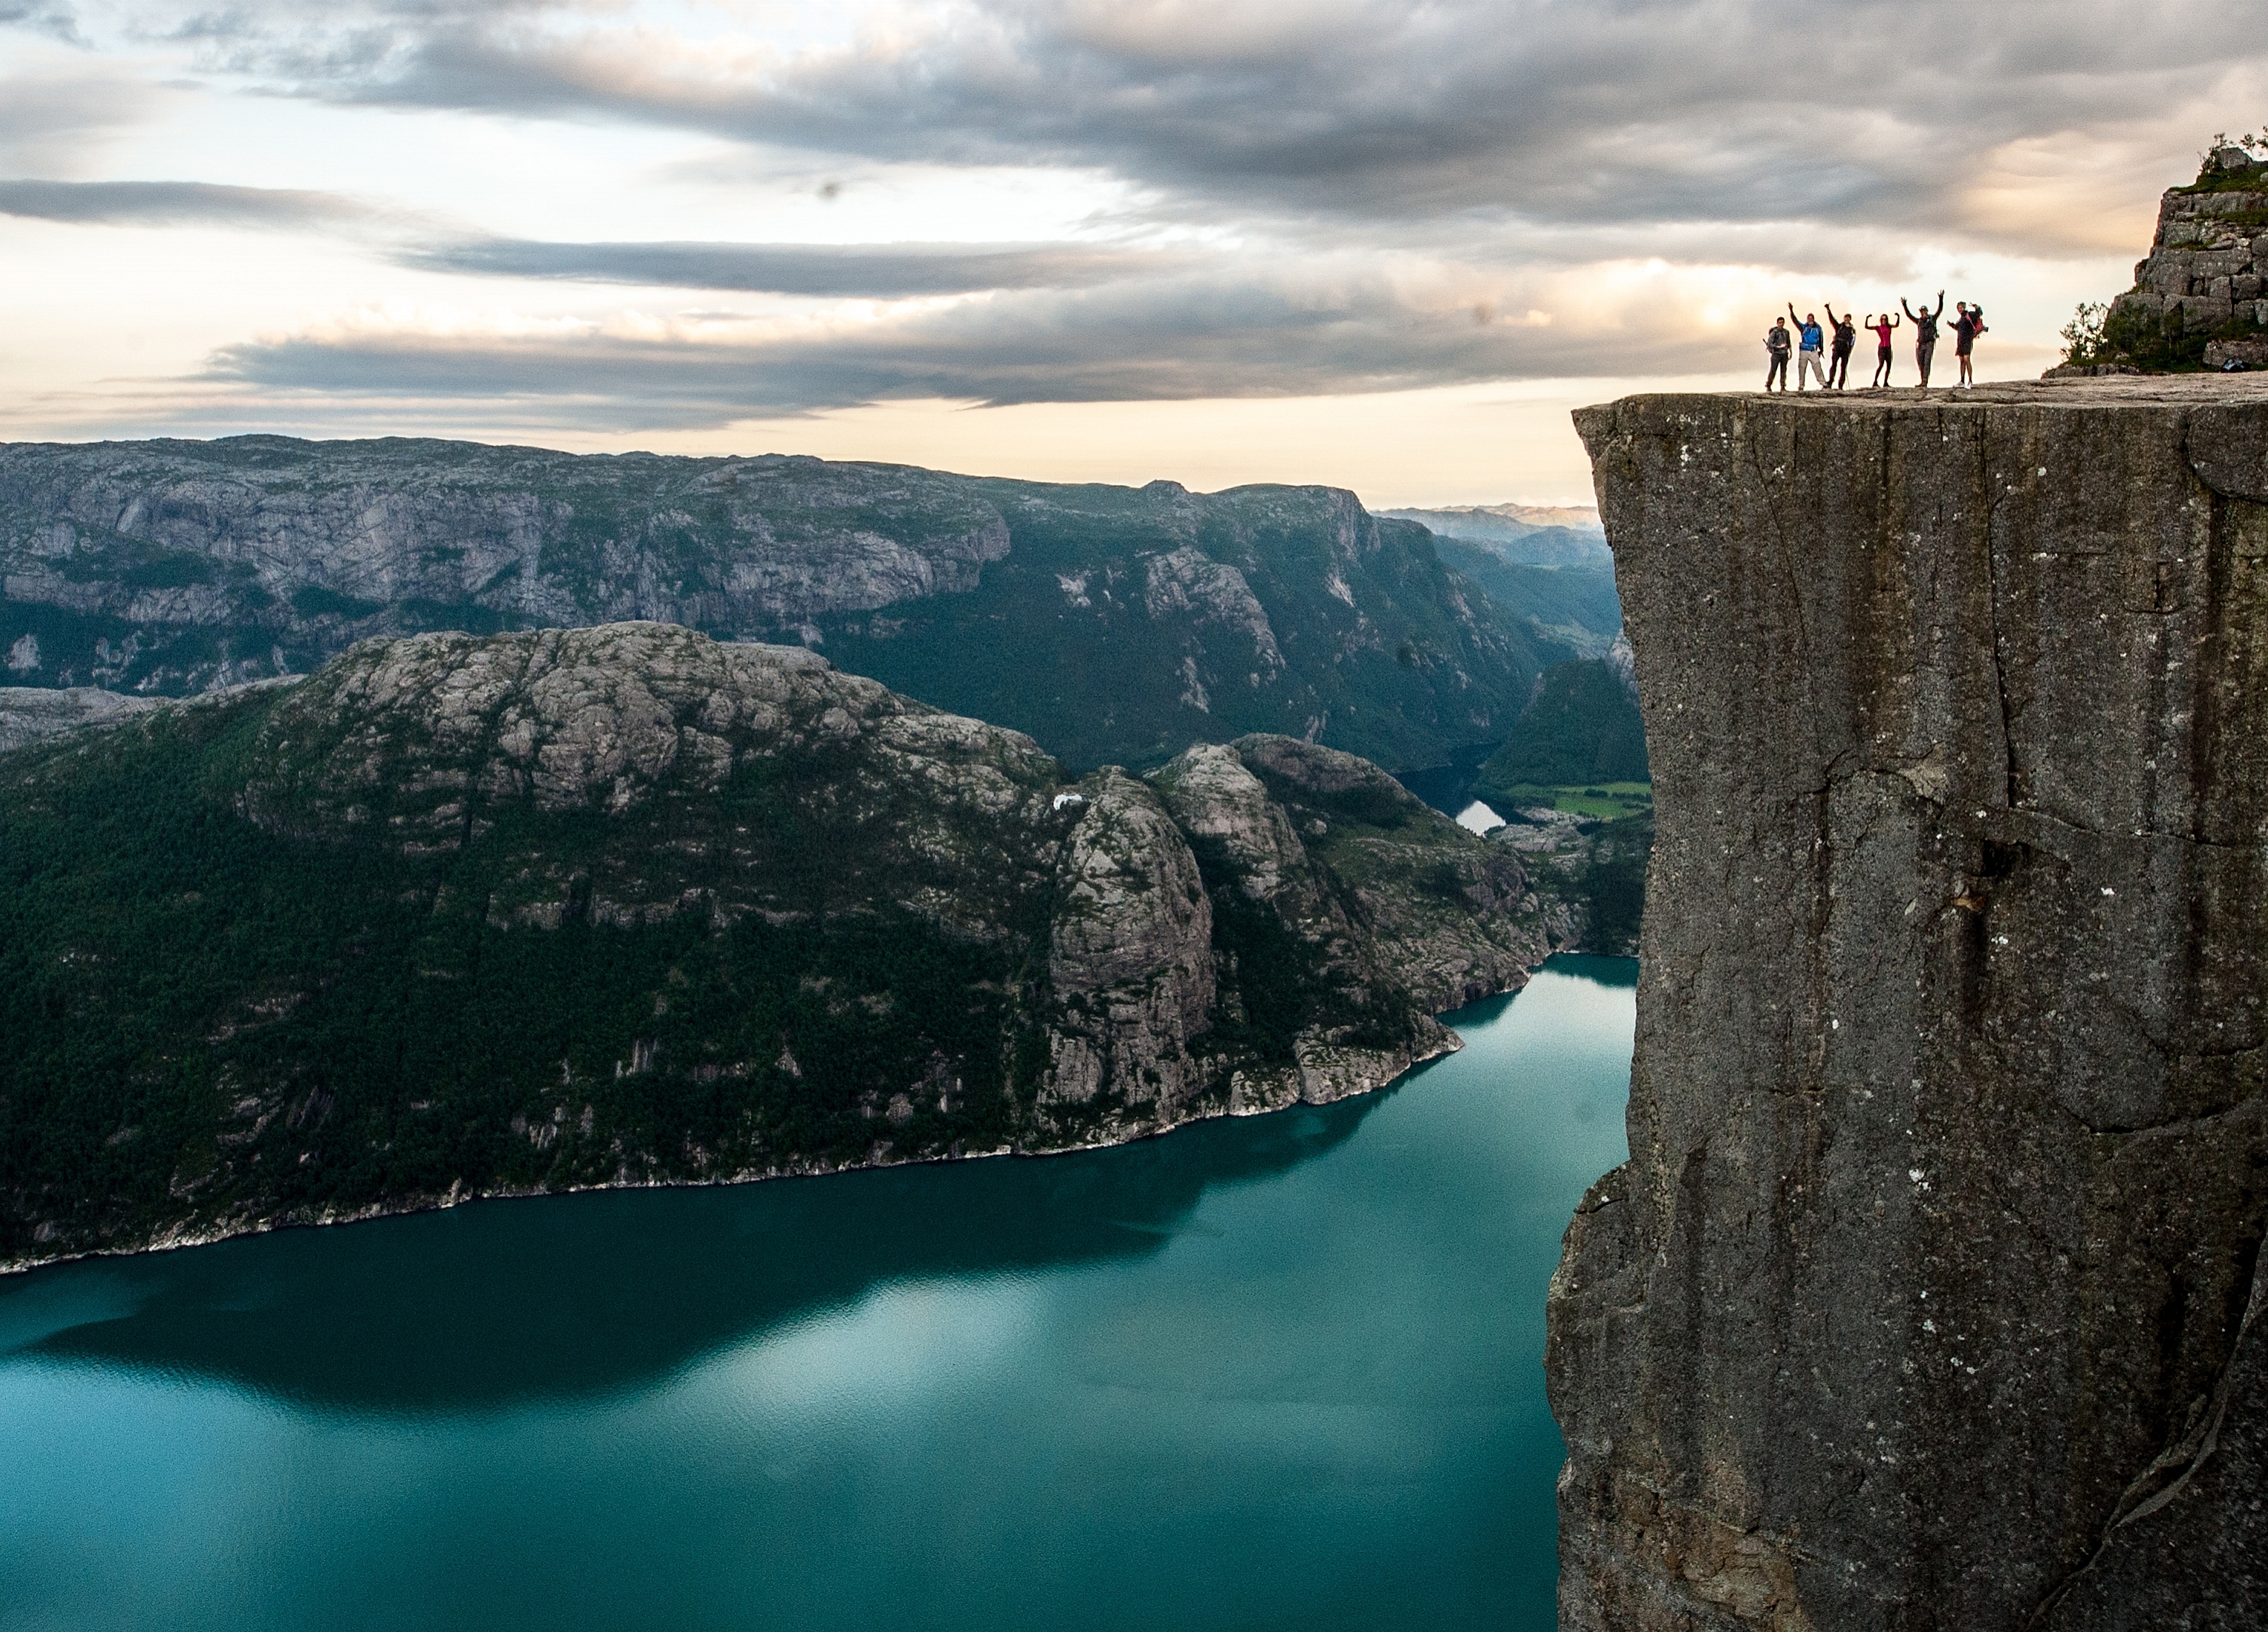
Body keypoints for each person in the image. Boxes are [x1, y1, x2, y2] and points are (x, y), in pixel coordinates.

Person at [1903, 291, 1946, 387]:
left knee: (1927, 362)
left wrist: (1941, 299)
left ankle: (1925, 381)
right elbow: (1909, 315)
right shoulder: (1919, 321)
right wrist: (1904, 305)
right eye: (1922, 311)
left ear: (1927, 311)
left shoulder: (1932, 319)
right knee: (1920, 362)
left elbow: (1939, 310)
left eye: (1924, 311)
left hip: (1929, 343)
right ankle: (1922, 380)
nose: (1923, 313)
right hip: (1921, 344)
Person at [1788, 303, 1829, 390]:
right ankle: (1801, 386)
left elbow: (1821, 338)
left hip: (1813, 350)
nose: (1810, 320)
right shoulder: (1804, 327)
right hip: (1804, 350)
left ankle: (1824, 383)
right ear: (1807, 319)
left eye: (1812, 318)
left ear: (1814, 319)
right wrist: (1791, 311)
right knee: (1802, 368)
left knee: (1817, 367)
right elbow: (1795, 321)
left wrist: (1821, 350)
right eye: (1809, 319)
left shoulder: (1818, 328)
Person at [1953, 301, 1987, 386]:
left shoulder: (1970, 315)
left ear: (1964, 307)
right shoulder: (1961, 320)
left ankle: (1970, 381)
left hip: (1968, 341)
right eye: (1958, 308)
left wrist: (1977, 308)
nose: (1960, 309)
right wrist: (1951, 325)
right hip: (1960, 341)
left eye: (1961, 308)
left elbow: (1979, 314)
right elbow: (1957, 327)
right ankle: (1962, 381)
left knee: (1967, 359)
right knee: (1962, 361)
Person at [1824, 303, 1858, 389]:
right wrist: (1828, 310)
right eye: (1845, 318)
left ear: (1850, 319)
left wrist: (1850, 350)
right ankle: (1830, 382)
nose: (1846, 319)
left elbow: (1852, 342)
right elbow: (1832, 320)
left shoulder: (1852, 330)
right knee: (1834, 365)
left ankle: (1841, 385)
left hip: (1846, 350)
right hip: (1837, 348)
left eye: (1848, 318)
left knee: (1843, 368)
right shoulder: (1839, 327)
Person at [1867, 311, 1900, 387]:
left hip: (1888, 348)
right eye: (1882, 319)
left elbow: (1897, 325)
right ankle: (1875, 382)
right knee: (1881, 364)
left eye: (1885, 319)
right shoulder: (1878, 328)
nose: (1884, 321)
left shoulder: (1889, 327)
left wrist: (1898, 317)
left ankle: (1886, 382)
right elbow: (1867, 327)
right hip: (1882, 348)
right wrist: (1867, 318)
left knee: (1889, 365)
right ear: (1881, 320)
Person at [1764, 317, 1792, 391]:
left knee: (1784, 371)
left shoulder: (1786, 332)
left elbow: (1789, 343)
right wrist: (1777, 347)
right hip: (1776, 354)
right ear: (1777, 323)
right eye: (1780, 323)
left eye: (1782, 323)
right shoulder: (1774, 333)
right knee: (1773, 370)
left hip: (1784, 354)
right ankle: (1769, 385)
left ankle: (1783, 386)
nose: (1781, 324)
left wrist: (1791, 352)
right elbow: (1770, 343)